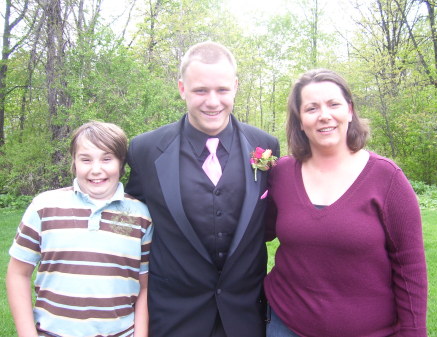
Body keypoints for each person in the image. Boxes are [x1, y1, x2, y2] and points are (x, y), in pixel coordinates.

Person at [125, 41, 280, 337]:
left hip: (246, 314)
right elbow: (131, 221)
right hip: (174, 316)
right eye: (200, 91)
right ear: (182, 89)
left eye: (222, 90)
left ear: (235, 87)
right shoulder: (145, 150)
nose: (212, 101)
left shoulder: (266, 146)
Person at [264, 69, 428, 337]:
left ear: (350, 111)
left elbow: (410, 266)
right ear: (300, 119)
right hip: (286, 325)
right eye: (311, 108)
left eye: (333, 104)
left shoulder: (387, 178)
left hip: (368, 330)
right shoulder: (281, 173)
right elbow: (259, 231)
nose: (324, 115)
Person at [6, 121, 153, 337]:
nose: (96, 169)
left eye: (107, 158)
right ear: (74, 163)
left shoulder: (141, 216)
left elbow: (144, 288)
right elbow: (18, 274)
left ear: (121, 164)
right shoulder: (44, 207)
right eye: (85, 159)